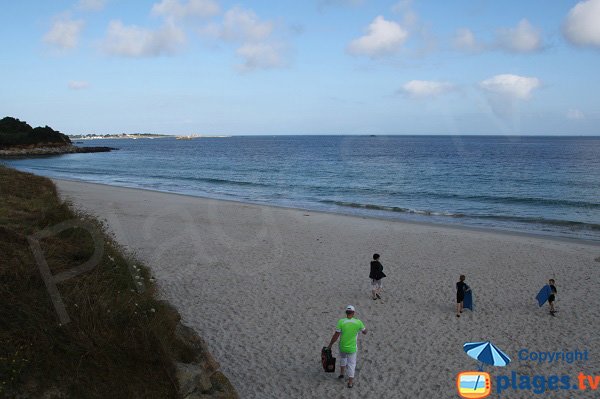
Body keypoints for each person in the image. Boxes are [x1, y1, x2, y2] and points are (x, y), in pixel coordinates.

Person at [327, 305, 367, 388]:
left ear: (346, 313)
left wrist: (330, 344)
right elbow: (365, 332)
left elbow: (336, 335)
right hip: (352, 348)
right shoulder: (358, 322)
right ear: (353, 313)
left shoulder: (341, 321)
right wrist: (363, 329)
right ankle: (350, 383)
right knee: (352, 364)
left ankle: (341, 374)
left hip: (342, 346)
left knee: (343, 359)